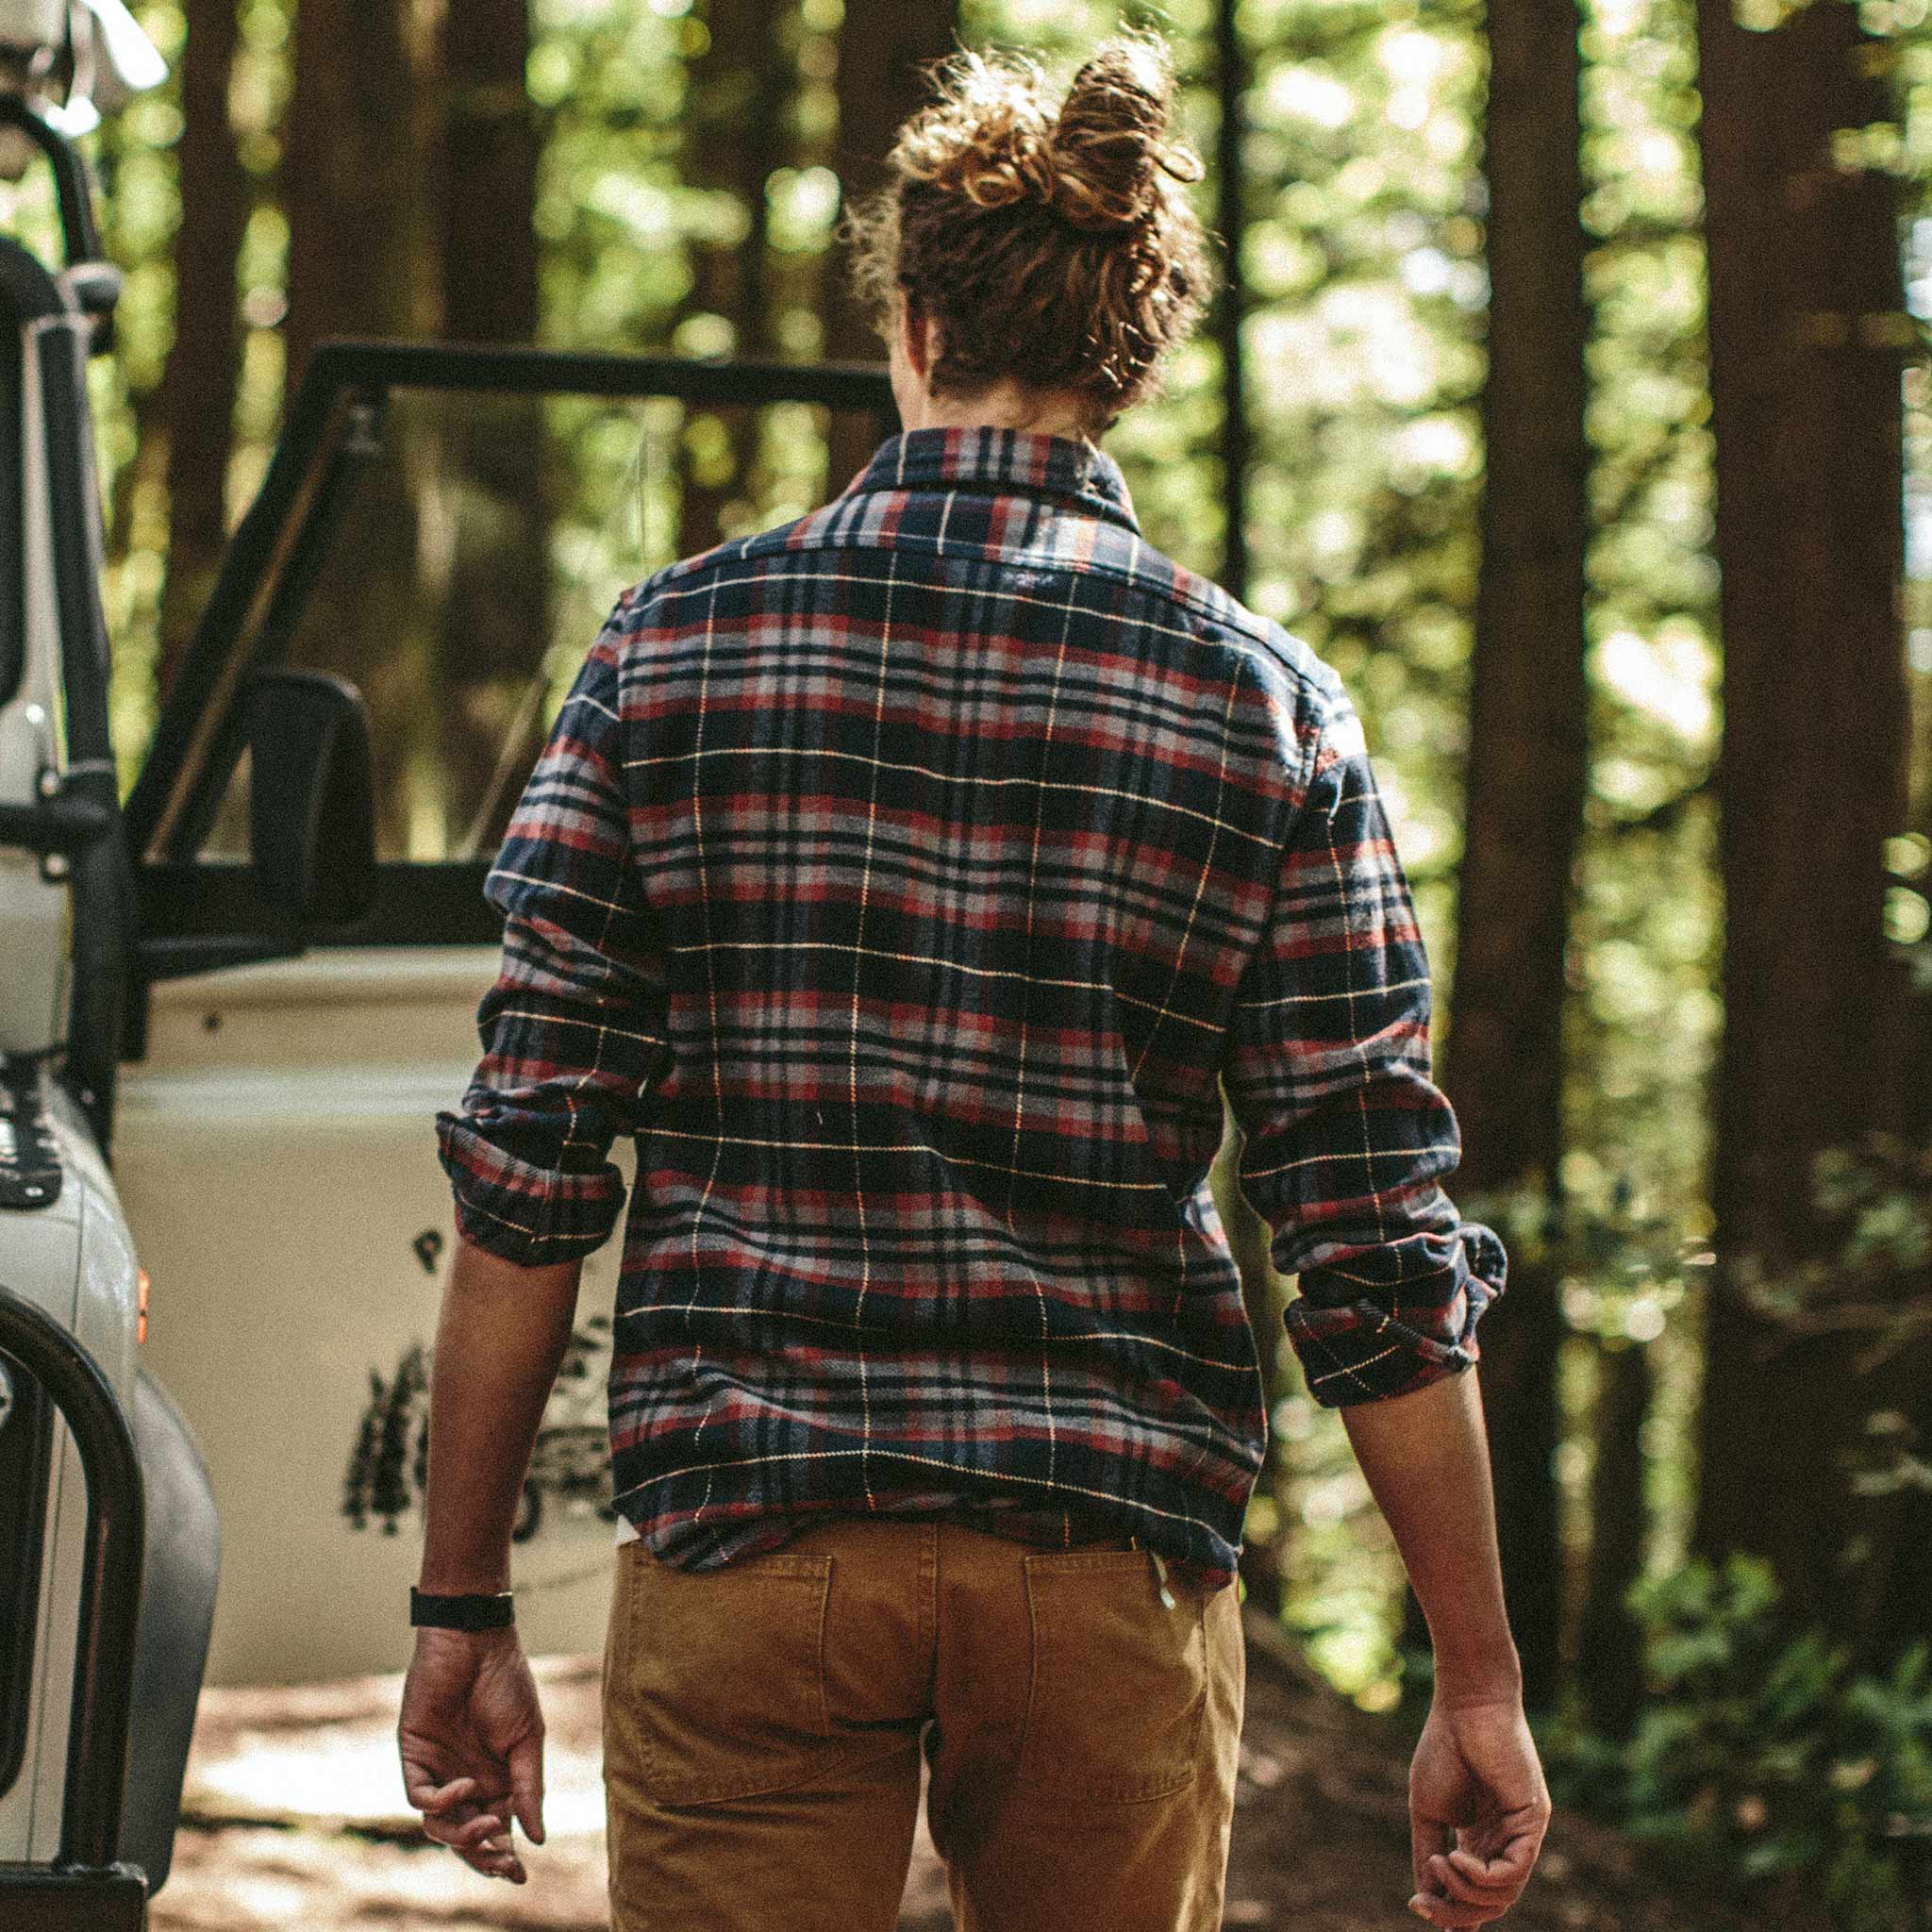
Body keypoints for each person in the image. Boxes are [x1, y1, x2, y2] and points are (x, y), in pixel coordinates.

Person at [394, 27, 1549, 1932]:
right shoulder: (1261, 707)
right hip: (1102, 1568)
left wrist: (457, 1609)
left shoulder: (668, 655)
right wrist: (1477, 1674)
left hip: (751, 1540)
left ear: (907, 321)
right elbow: (1364, 1230)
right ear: (1136, 358)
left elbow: (527, 1171)